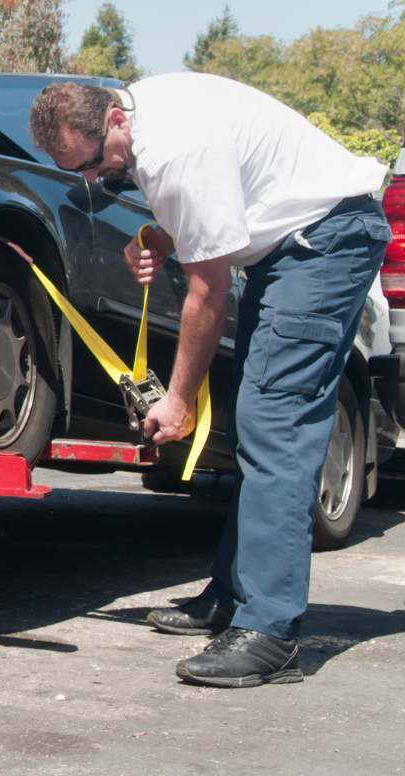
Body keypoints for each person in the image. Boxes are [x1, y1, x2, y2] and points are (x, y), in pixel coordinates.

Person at [28, 73, 389, 688]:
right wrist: (166, 238)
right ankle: (232, 595)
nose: (90, 179)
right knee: (258, 417)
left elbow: (209, 288)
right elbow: (222, 206)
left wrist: (177, 400)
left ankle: (270, 634)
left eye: (89, 163)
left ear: (115, 122)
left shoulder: (172, 151)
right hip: (287, 248)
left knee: (275, 422)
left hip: (325, 242)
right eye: (76, 171)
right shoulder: (142, 122)